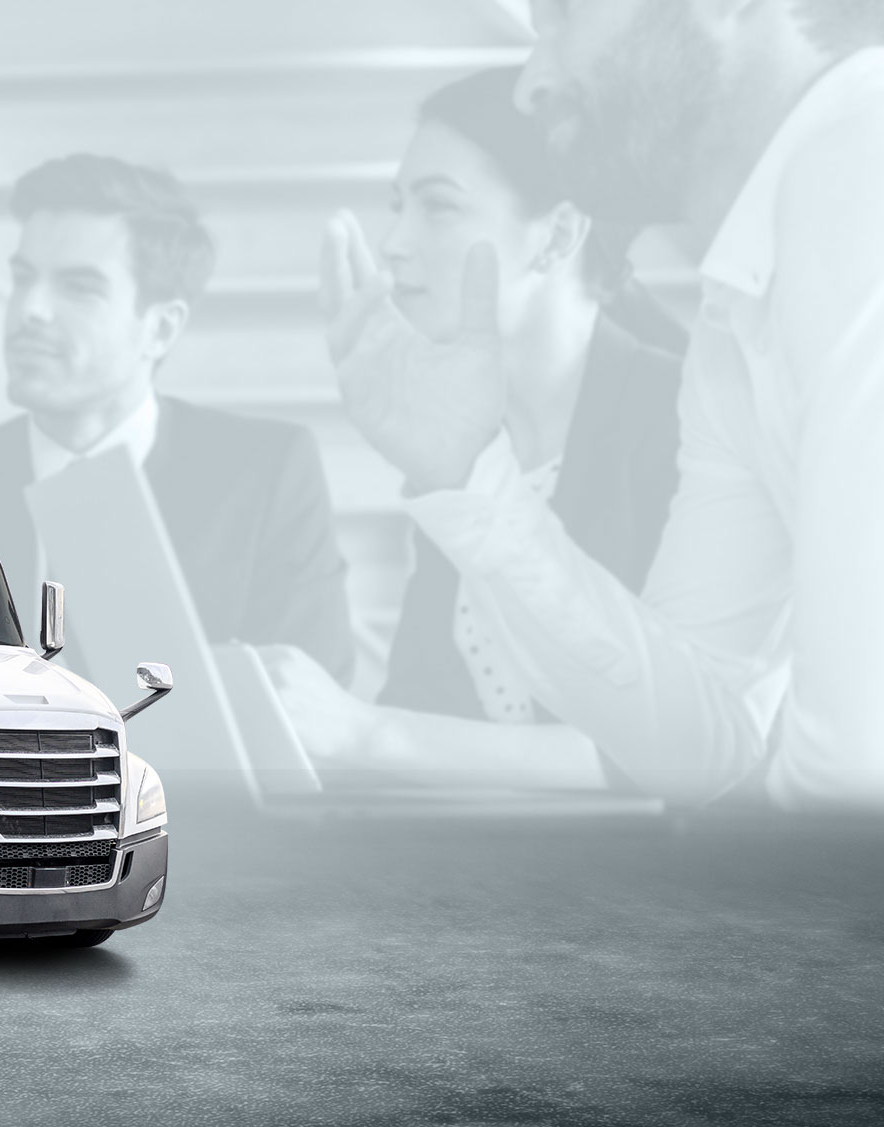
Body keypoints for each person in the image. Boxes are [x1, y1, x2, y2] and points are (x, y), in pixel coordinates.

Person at [335, 0, 884, 808]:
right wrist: (467, 477)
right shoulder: (731, 322)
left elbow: (853, 781)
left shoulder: (858, 176)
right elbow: (705, 741)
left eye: (561, 13)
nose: (530, 84)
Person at [267, 67, 687, 790]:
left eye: (438, 208)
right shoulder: (464, 429)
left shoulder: (683, 418)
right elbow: (424, 705)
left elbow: (692, 747)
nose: (393, 243)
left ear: (557, 235)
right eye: (397, 205)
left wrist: (365, 731)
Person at [0, 154, 356, 680]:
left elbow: (312, 710)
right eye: (24, 278)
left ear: (161, 329)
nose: (30, 310)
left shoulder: (266, 472)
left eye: (79, 287)